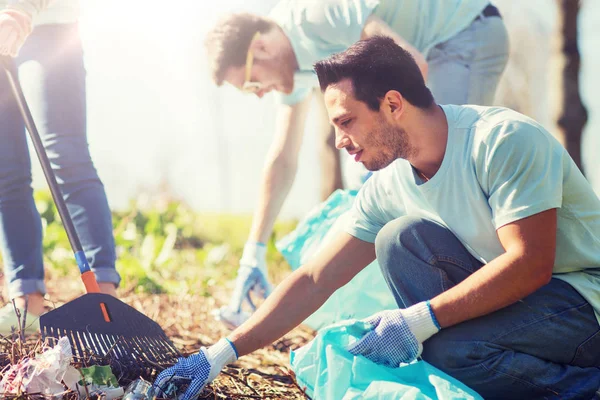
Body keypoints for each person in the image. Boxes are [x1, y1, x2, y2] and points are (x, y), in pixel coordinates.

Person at [154, 36, 600, 400]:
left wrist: (419, 322)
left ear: (392, 103)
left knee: (449, 352)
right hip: (525, 306)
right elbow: (314, 278)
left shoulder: (501, 140)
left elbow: (530, 263)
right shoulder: (390, 184)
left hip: (585, 303)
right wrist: (218, 354)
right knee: (400, 239)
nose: (339, 141)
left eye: (346, 121)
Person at [206, 0, 510, 327]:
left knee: (438, 163)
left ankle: (488, 301)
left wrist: (390, 174)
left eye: (252, 83)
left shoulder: (316, 16)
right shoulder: (289, 63)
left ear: (260, 46)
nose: (260, 93)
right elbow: (283, 158)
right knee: (368, 180)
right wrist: (254, 252)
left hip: (464, 30)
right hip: (422, 50)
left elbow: (412, 69)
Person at [0, 0, 120, 334]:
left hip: (50, 26)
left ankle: (103, 298)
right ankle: (27, 304)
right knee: (6, 172)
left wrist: (19, 9)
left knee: (67, 156)